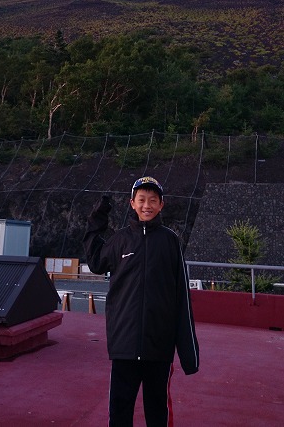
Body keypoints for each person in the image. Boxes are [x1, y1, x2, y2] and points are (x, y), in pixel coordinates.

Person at [83, 176, 199, 427]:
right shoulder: (120, 240)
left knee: (157, 411)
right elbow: (95, 262)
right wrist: (98, 218)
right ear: (132, 203)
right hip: (123, 343)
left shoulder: (170, 242)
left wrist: (189, 354)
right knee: (119, 410)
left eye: (153, 200)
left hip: (159, 346)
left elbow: (181, 298)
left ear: (161, 205)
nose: (147, 205)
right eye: (142, 200)